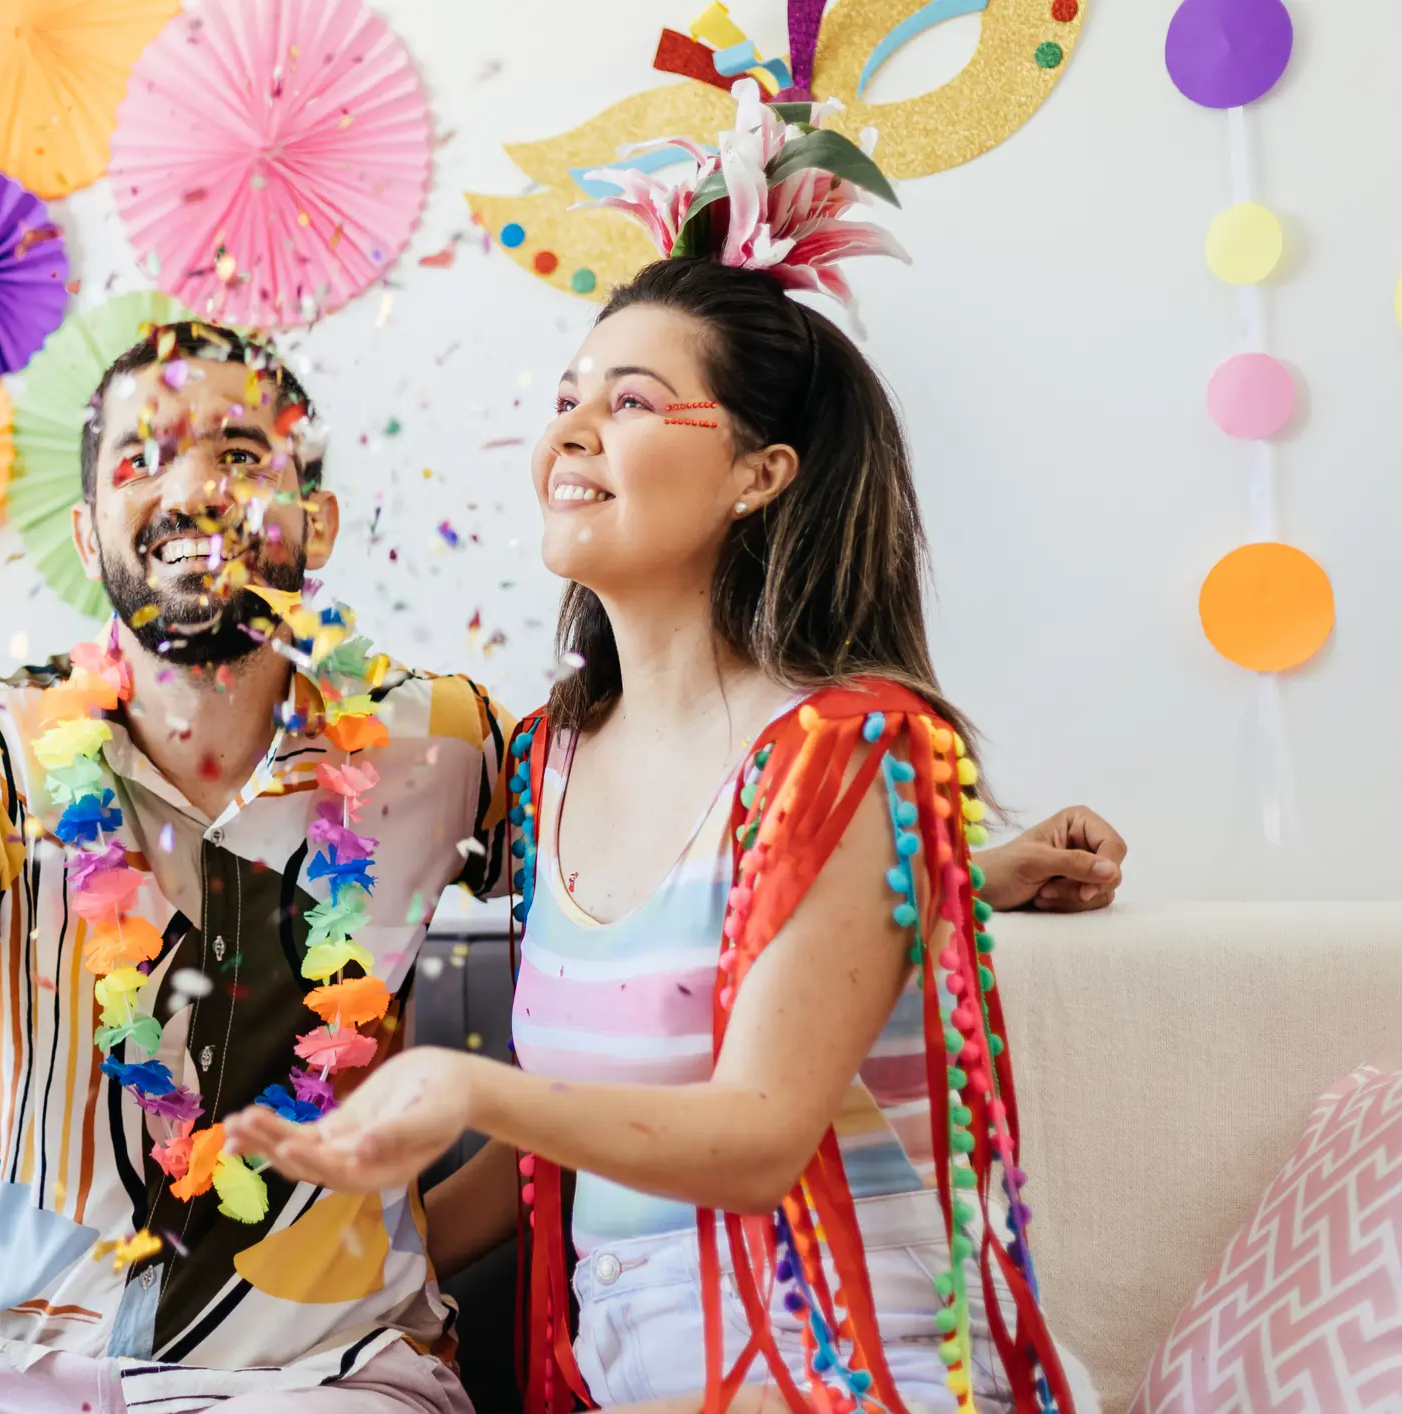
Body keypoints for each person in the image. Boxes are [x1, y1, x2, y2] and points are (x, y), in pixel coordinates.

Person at [0, 311, 1117, 1410]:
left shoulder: (437, 744)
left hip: (324, 1378)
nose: (189, 481)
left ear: (311, 524)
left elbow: (666, 873)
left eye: (238, 449)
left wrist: (958, 864)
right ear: (90, 535)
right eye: (139, 459)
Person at [226, 87, 1090, 1414]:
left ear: (760, 471)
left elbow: (755, 1137)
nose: (568, 432)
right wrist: (326, 1273)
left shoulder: (853, 750)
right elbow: (591, 1144)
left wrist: (473, 1086)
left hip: (855, 1372)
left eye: (629, 401)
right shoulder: (547, 765)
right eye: (567, 396)